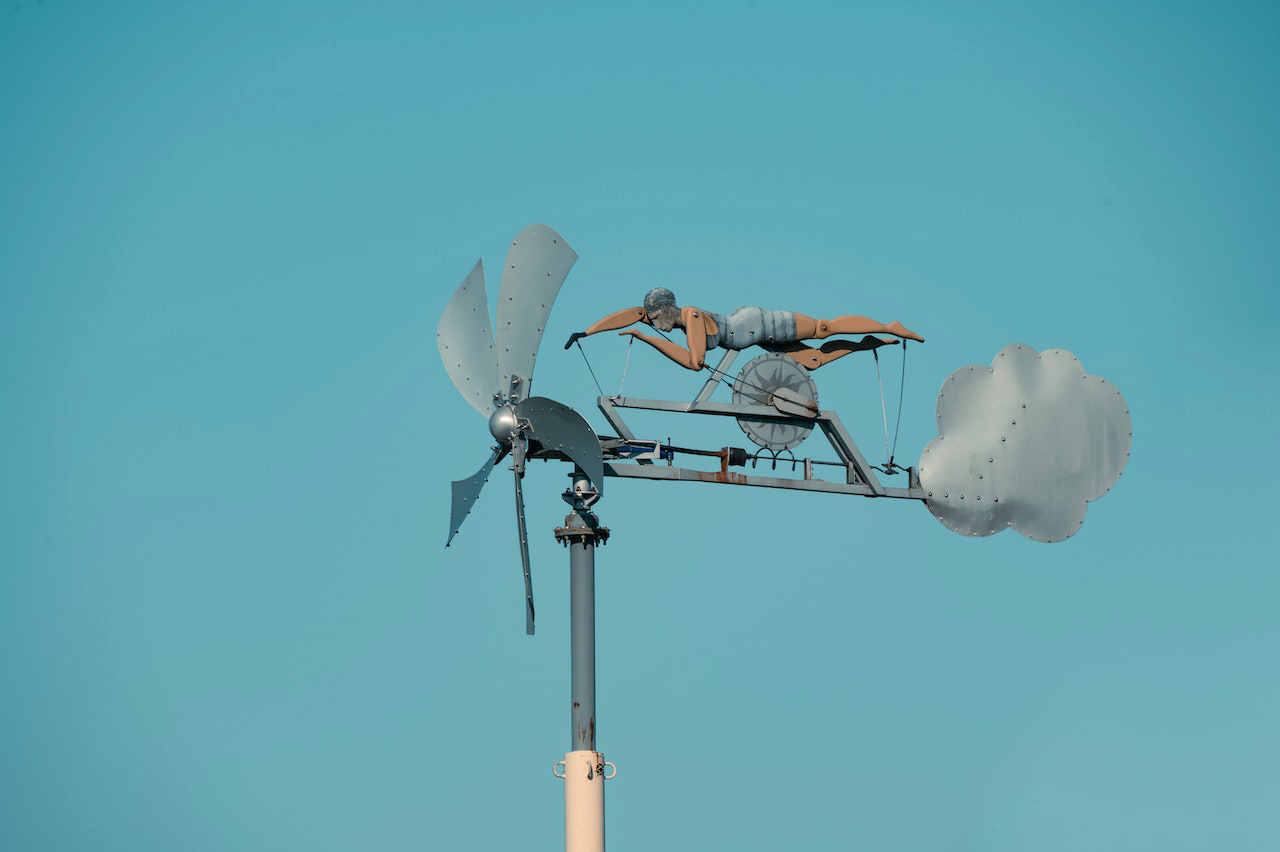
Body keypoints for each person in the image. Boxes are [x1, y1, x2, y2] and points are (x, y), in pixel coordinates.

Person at [565, 287, 924, 371]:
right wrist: (588, 332)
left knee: (823, 328)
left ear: (665, 311)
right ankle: (869, 342)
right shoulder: (665, 317)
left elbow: (695, 362)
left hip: (755, 324)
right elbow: (626, 314)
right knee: (812, 361)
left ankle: (889, 326)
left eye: (652, 319)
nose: (651, 323)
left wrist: (645, 340)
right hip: (749, 337)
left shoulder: (688, 318)